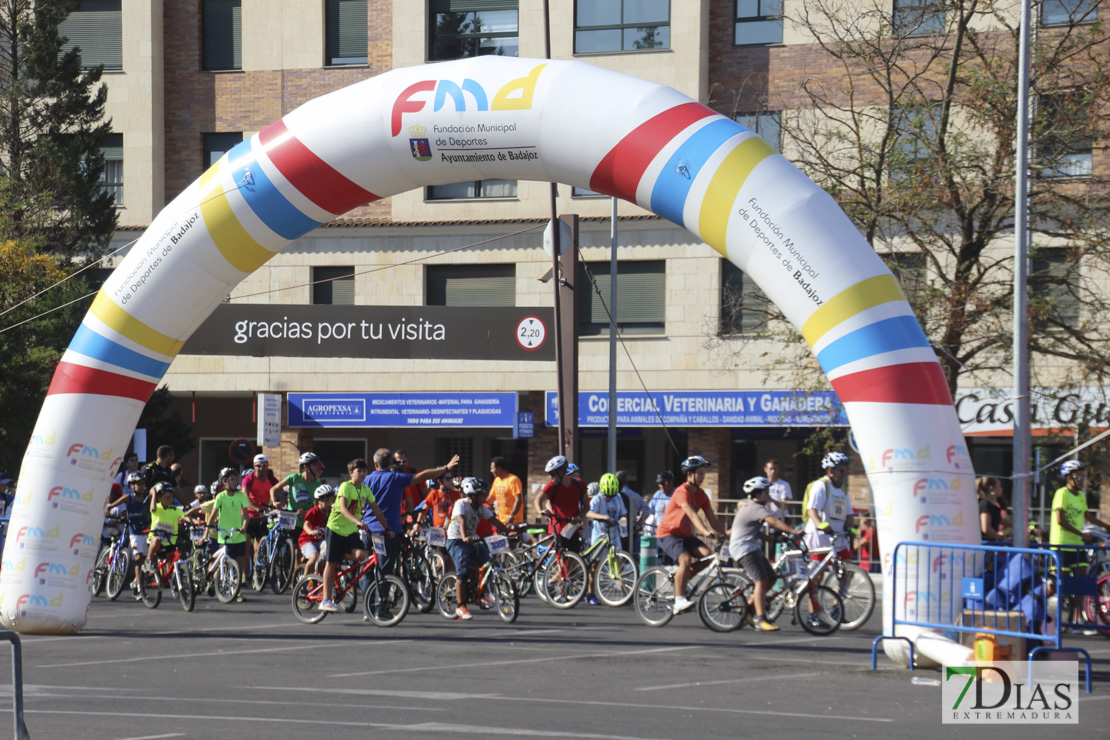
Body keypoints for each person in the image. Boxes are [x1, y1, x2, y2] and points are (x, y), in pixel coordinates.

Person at [362, 449, 459, 575]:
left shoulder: (366, 480)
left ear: (375, 464)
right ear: (392, 463)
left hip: (367, 529)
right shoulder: (396, 477)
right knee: (384, 571)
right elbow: (424, 476)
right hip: (387, 530)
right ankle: (380, 595)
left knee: (367, 570)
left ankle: (367, 593)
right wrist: (446, 468)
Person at [728, 477, 803, 631]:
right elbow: (774, 522)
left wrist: (774, 540)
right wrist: (793, 531)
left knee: (771, 579)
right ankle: (761, 619)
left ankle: (749, 608)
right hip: (743, 548)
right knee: (761, 581)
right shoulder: (755, 507)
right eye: (767, 493)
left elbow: (755, 532)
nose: (769, 496)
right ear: (758, 494)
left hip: (751, 547)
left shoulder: (753, 507)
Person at [655, 455, 726, 614]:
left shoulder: (701, 495)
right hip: (668, 533)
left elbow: (712, 519)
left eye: (703, 473)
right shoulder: (682, 492)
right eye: (699, 473)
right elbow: (692, 514)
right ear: (689, 474)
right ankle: (679, 601)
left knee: (707, 555)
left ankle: (681, 579)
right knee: (685, 560)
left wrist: (724, 536)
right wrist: (705, 531)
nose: (702, 477)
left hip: (685, 535)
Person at [320, 458, 392, 613]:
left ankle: (337, 556)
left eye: (364, 471)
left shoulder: (365, 490)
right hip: (336, 529)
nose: (362, 473)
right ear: (351, 473)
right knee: (331, 564)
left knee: (361, 555)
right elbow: (344, 509)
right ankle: (326, 599)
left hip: (350, 531)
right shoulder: (346, 487)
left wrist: (387, 528)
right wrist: (358, 522)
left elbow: (377, 510)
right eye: (359, 471)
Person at [445, 476, 511, 620]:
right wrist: (464, 536)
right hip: (456, 540)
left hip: (473, 539)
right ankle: (460, 606)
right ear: (473, 495)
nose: (485, 496)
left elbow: (494, 520)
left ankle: (479, 596)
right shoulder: (461, 504)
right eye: (482, 494)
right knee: (462, 570)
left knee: (485, 563)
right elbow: (461, 520)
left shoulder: (481, 507)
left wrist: (508, 532)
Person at [206, 467, 259, 602]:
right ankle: (217, 580)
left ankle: (237, 592)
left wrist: (243, 527)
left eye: (236, 479)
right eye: (232, 479)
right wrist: (206, 533)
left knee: (238, 566)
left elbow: (246, 516)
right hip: (225, 536)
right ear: (224, 482)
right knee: (224, 564)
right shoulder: (220, 497)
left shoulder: (241, 495)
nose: (235, 482)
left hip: (238, 536)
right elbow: (212, 516)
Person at [585, 473, 628, 605]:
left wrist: (623, 520)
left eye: (612, 495)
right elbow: (588, 512)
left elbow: (623, 513)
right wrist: (602, 517)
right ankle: (590, 593)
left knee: (619, 561)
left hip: (614, 533)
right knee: (595, 564)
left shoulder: (618, 497)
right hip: (600, 534)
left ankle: (626, 591)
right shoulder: (597, 499)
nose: (610, 497)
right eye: (607, 495)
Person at [537, 455, 589, 552]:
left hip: (572, 528)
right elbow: (538, 499)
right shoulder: (551, 486)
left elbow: (586, 506)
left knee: (574, 556)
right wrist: (541, 511)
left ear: (561, 473)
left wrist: (578, 517)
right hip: (557, 527)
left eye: (552, 474)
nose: (550, 477)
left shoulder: (579, 484)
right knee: (562, 555)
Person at [146, 482, 205, 564]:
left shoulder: (174, 509)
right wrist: (154, 494)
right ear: (159, 499)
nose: (171, 500)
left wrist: (196, 521)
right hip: (156, 541)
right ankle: (149, 561)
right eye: (167, 498)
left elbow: (185, 516)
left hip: (169, 542)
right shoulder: (157, 508)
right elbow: (152, 508)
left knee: (170, 561)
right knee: (157, 540)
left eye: (171, 497)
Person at [241, 453, 279, 565]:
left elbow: (280, 494)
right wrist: (256, 509)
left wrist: (282, 505)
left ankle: (256, 575)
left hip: (263, 516)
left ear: (267, 466)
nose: (261, 468)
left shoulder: (272, 480)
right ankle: (244, 577)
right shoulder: (249, 479)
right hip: (248, 516)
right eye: (258, 465)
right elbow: (245, 496)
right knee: (246, 548)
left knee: (258, 548)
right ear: (254, 466)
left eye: (264, 465)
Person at [299, 484, 335, 580]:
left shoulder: (330, 512)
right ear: (319, 501)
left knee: (328, 550)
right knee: (314, 556)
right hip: (307, 540)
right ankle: (304, 580)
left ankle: (319, 573)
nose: (330, 503)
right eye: (327, 501)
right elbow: (306, 524)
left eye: (331, 500)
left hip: (321, 540)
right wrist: (310, 531)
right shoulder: (313, 511)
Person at [615, 470, 647, 556]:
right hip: (629, 528)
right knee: (628, 554)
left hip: (615, 528)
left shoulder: (614, 496)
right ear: (627, 481)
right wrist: (638, 521)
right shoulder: (635, 495)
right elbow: (647, 510)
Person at [488, 456, 524, 526]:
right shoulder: (497, 480)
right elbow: (490, 498)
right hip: (500, 521)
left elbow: (518, 500)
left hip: (513, 521)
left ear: (498, 469)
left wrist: (511, 516)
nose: (491, 471)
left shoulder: (513, 479)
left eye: (492, 468)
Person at [976, 476, 1010, 542]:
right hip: (986, 545)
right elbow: (986, 528)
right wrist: (1001, 538)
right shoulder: (986, 504)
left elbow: (997, 519)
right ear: (992, 488)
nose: (1001, 489)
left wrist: (1018, 525)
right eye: (1000, 486)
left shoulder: (991, 505)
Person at [763, 459, 793, 525]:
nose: (773, 471)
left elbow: (784, 506)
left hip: (780, 518)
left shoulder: (784, 484)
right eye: (771, 469)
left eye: (775, 469)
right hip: (765, 518)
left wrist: (771, 500)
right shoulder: (761, 484)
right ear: (765, 469)